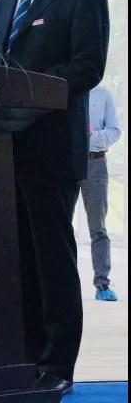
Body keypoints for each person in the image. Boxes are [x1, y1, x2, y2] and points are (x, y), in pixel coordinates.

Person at [0, 0, 110, 397]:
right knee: (16, 259)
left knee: (52, 258)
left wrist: (30, 88)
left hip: (52, 147)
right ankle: (24, 355)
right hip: (2, 148)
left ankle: (57, 364)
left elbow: (88, 66)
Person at [81, 85, 122, 301]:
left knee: (98, 227)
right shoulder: (66, 89)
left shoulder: (104, 95)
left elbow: (115, 131)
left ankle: (102, 284)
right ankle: (57, 285)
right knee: (60, 224)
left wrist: (90, 135)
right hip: (66, 159)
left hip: (95, 163)